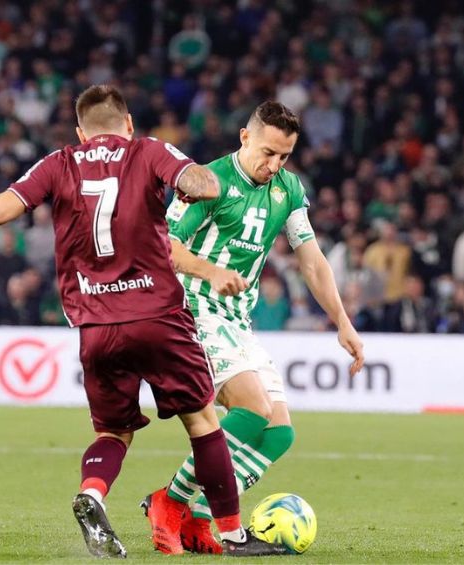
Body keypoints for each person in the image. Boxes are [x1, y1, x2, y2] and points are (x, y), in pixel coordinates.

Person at [0, 85, 287, 558]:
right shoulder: (149, 150)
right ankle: (234, 536)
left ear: (80, 130)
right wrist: (190, 185)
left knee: (113, 432)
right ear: (128, 123)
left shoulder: (58, 162)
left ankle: (92, 493)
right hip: (158, 317)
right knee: (203, 422)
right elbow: (205, 185)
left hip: (95, 324)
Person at [142, 101, 365, 554]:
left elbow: (312, 260)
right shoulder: (207, 181)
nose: (274, 165)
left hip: (236, 319)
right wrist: (210, 272)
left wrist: (342, 321)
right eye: (268, 153)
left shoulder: (288, 190)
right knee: (252, 409)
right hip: (191, 308)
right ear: (245, 136)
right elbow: (167, 246)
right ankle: (171, 500)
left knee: (279, 432)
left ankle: (201, 513)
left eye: (284, 156)